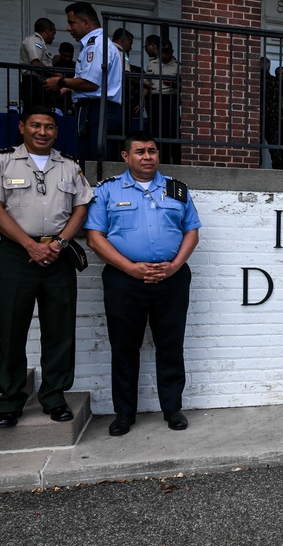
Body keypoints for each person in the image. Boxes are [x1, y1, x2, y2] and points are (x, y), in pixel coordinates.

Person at [0, 107, 93, 428]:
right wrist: (30, 245)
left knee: (59, 330)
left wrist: (61, 243)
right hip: (16, 255)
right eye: (35, 125)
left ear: (56, 131)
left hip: (57, 254)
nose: (42, 132)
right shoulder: (3, 160)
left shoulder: (69, 165)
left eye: (49, 127)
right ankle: (9, 402)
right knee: (11, 329)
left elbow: (81, 208)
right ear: (22, 127)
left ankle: (54, 396)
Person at [84, 132, 201, 436]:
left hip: (171, 279)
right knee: (125, 347)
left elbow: (191, 232)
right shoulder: (107, 191)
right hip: (124, 280)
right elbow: (95, 238)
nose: (147, 156)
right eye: (139, 152)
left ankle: (172, 408)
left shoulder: (176, 190)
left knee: (170, 345)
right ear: (126, 157)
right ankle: (124, 413)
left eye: (152, 151)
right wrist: (130, 269)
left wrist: (175, 266)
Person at [43, 2, 122, 163]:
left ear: (86, 22)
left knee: (96, 163)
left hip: (98, 110)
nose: (68, 28)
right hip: (94, 109)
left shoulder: (97, 44)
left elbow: (91, 84)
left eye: (71, 22)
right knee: (89, 161)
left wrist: (61, 82)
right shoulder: (94, 44)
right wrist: (69, 88)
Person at [145, 39, 181, 164]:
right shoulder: (152, 64)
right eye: (162, 53)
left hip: (170, 100)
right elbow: (147, 83)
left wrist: (173, 84)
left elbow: (185, 86)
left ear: (172, 52)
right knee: (155, 132)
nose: (164, 56)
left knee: (171, 132)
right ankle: (158, 159)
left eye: (167, 53)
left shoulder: (178, 66)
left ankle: (172, 161)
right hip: (155, 100)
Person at [19, 18, 56, 111]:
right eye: (53, 34)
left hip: (39, 82)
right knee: (35, 111)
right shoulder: (35, 41)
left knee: (43, 111)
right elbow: (35, 63)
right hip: (34, 83)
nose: (53, 37)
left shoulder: (41, 43)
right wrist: (54, 74)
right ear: (48, 31)